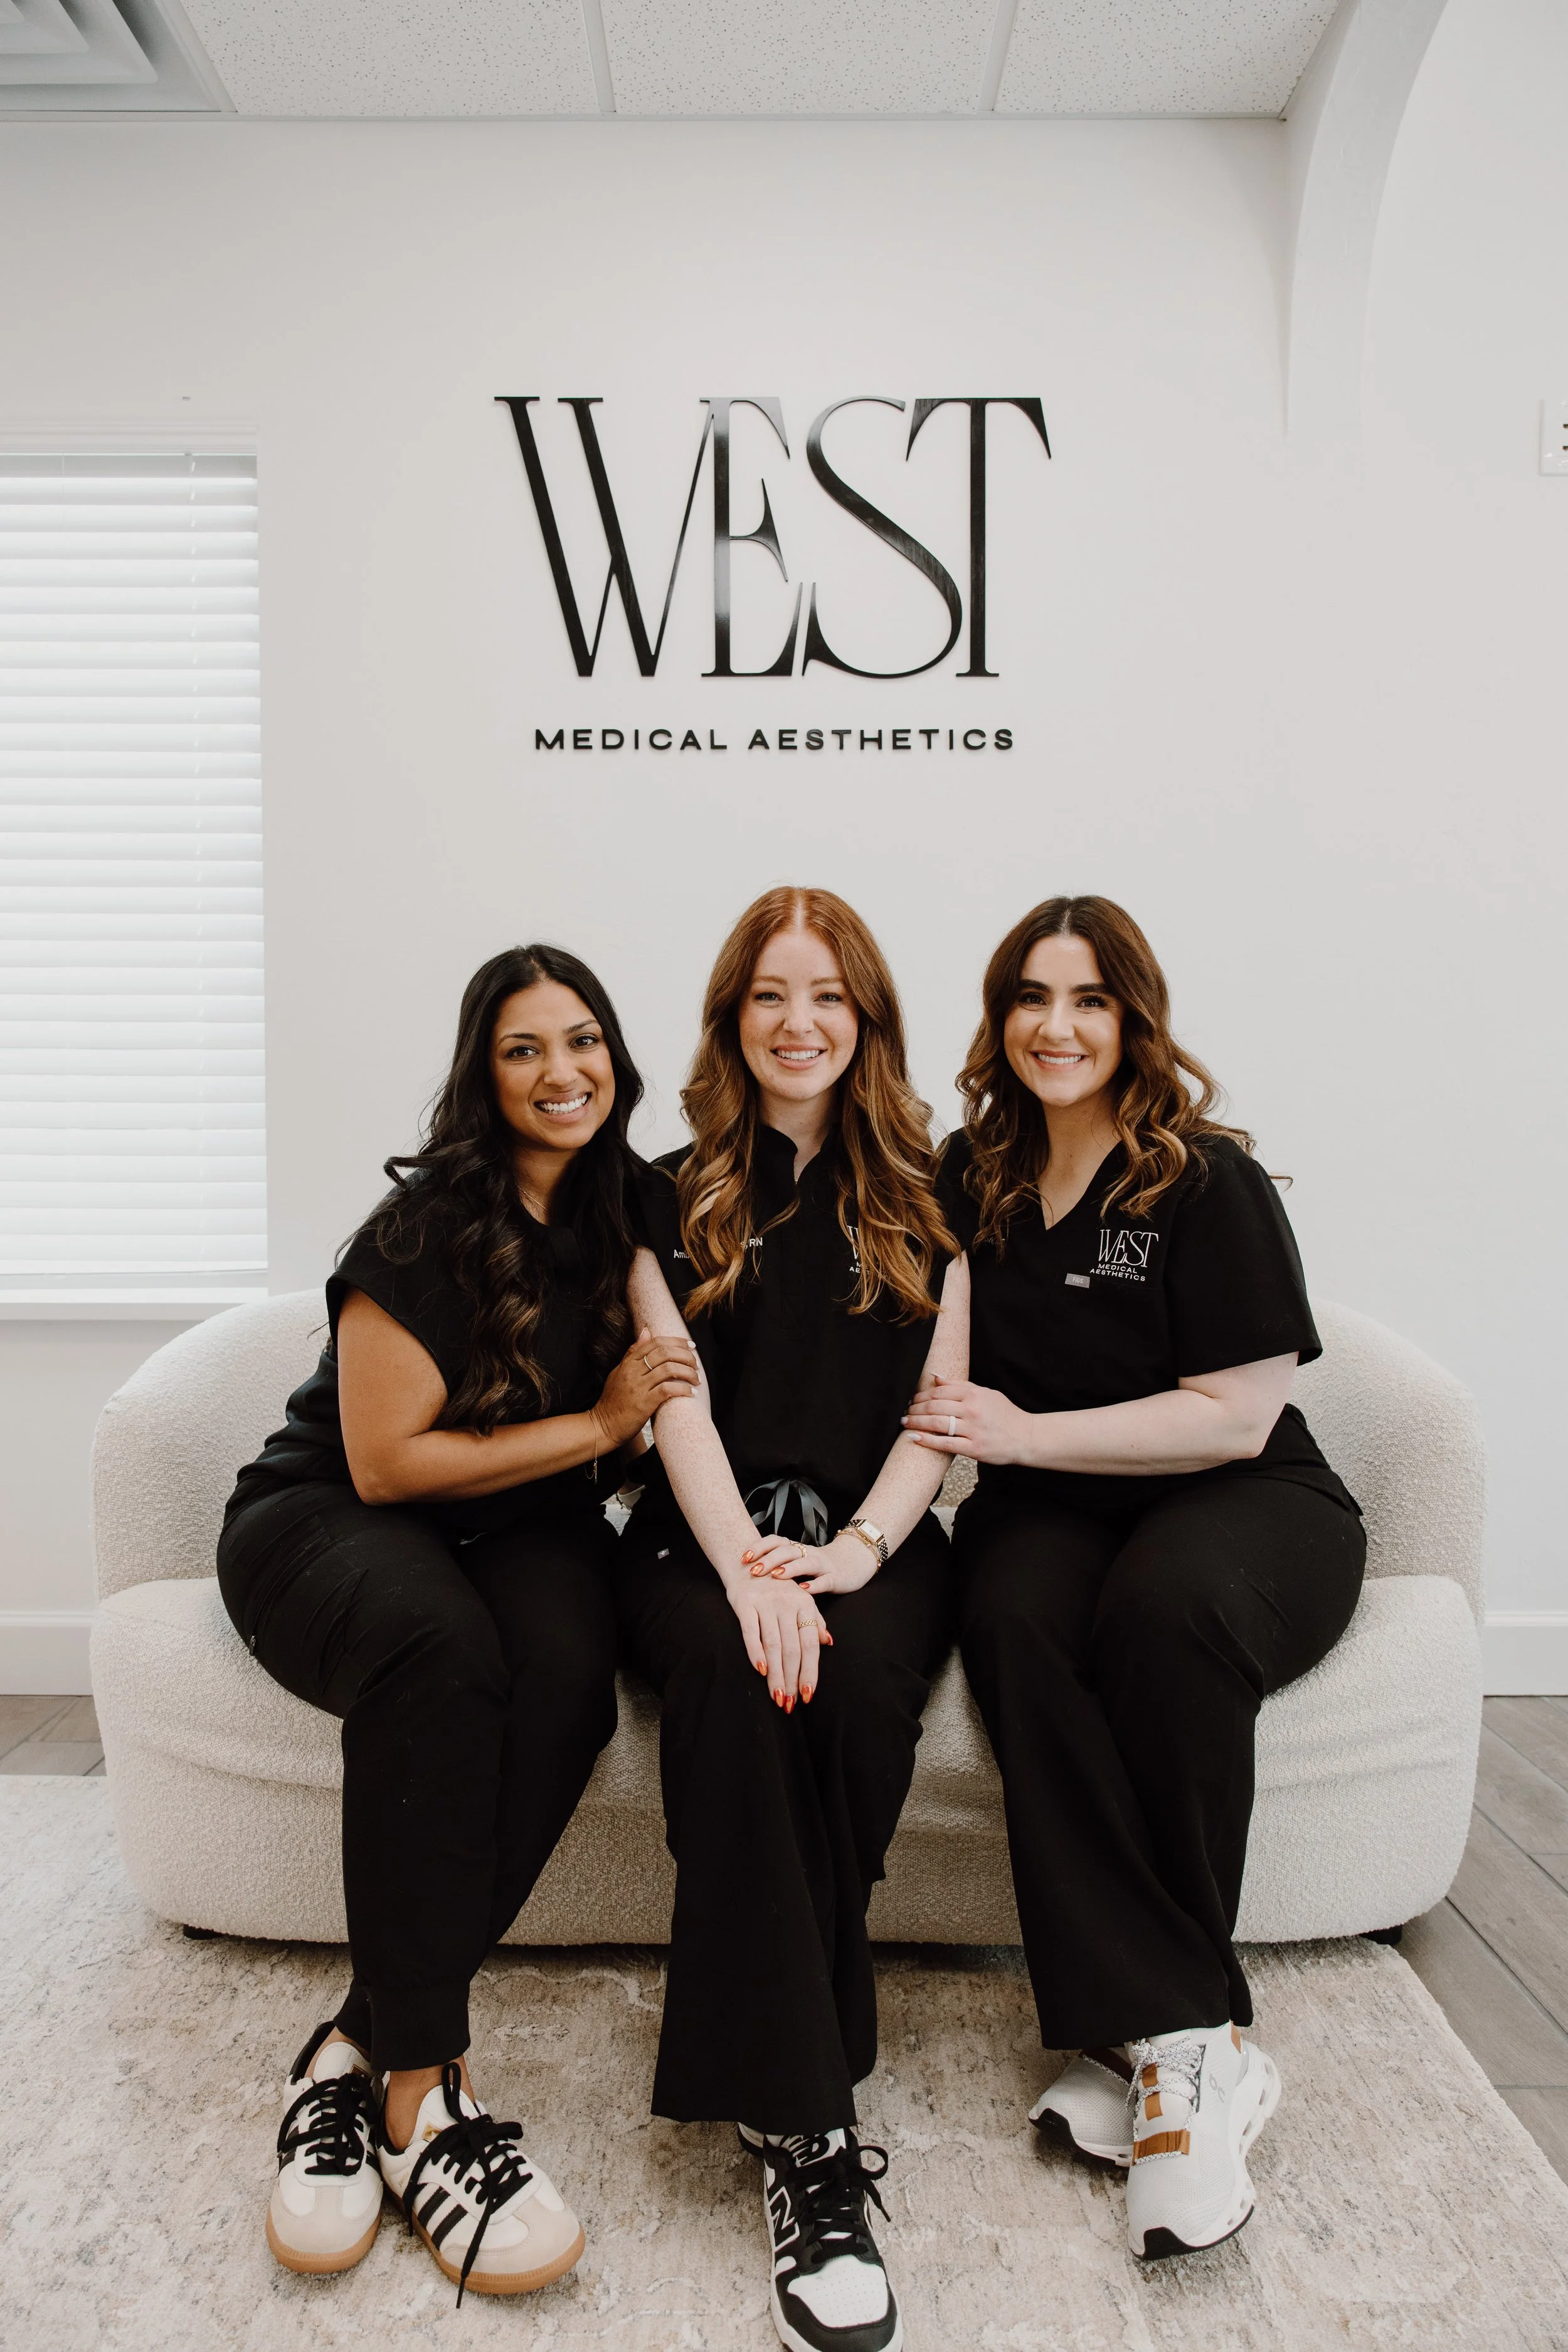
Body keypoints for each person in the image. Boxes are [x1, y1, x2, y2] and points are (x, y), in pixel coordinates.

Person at [216, 945, 698, 2301]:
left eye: (584, 1039)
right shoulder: (425, 1230)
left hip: (516, 1527)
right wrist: (602, 1425)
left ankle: (353, 2046)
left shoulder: (634, 1202)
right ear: (481, 1076)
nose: (564, 1072)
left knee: (565, 1677)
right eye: (525, 1048)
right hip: (332, 1520)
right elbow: (386, 1463)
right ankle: (426, 2102)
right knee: (444, 1656)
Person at [907, 894, 1365, 2263]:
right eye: (1029, 999)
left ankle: (1176, 2054)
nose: (1056, 1027)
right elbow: (921, 1344)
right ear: (997, 1022)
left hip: (1241, 1499)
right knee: (1006, 1617)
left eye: (1088, 1000)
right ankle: (1175, 2029)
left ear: (1132, 1019)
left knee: (1160, 1618)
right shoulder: (967, 1174)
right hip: (1046, 1513)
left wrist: (1024, 1435)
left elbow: (1230, 1412)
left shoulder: (1200, 1176)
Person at [614, 885, 965, 2352]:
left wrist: (867, 1549)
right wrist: (747, 1570)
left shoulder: (940, 1188)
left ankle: (778, 2078)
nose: (797, 1022)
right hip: (703, 1539)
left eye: (826, 995)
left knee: (852, 1698)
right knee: (741, 1701)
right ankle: (810, 2141)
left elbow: (942, 1407)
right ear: (729, 1016)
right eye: (769, 994)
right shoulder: (656, 1185)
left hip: (876, 1541)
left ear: (866, 1017)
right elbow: (672, 1397)